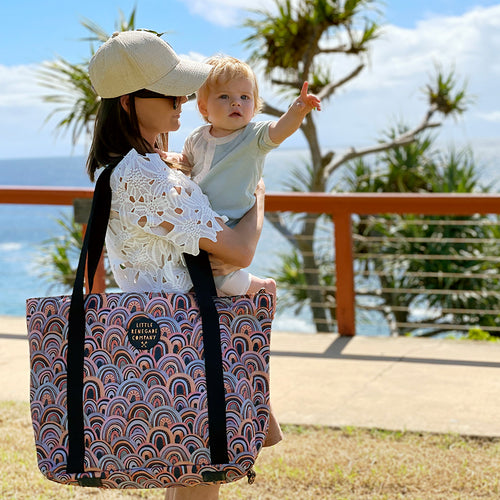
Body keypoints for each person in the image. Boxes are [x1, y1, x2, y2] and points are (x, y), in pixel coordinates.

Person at [87, 31, 282, 500]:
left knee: (189, 471)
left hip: (161, 333)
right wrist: (259, 197)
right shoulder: (147, 177)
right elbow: (238, 250)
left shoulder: (128, 167)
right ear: (130, 101)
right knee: (199, 476)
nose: (182, 99)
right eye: (170, 91)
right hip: (186, 334)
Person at [164, 55, 321, 297]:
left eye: (244, 98)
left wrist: (298, 110)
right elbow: (186, 165)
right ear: (204, 107)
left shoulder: (253, 137)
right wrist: (165, 157)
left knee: (222, 279)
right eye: (224, 96)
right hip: (205, 220)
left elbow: (280, 130)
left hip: (232, 223)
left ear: (255, 105)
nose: (236, 103)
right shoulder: (197, 137)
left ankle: (262, 289)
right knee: (197, 279)